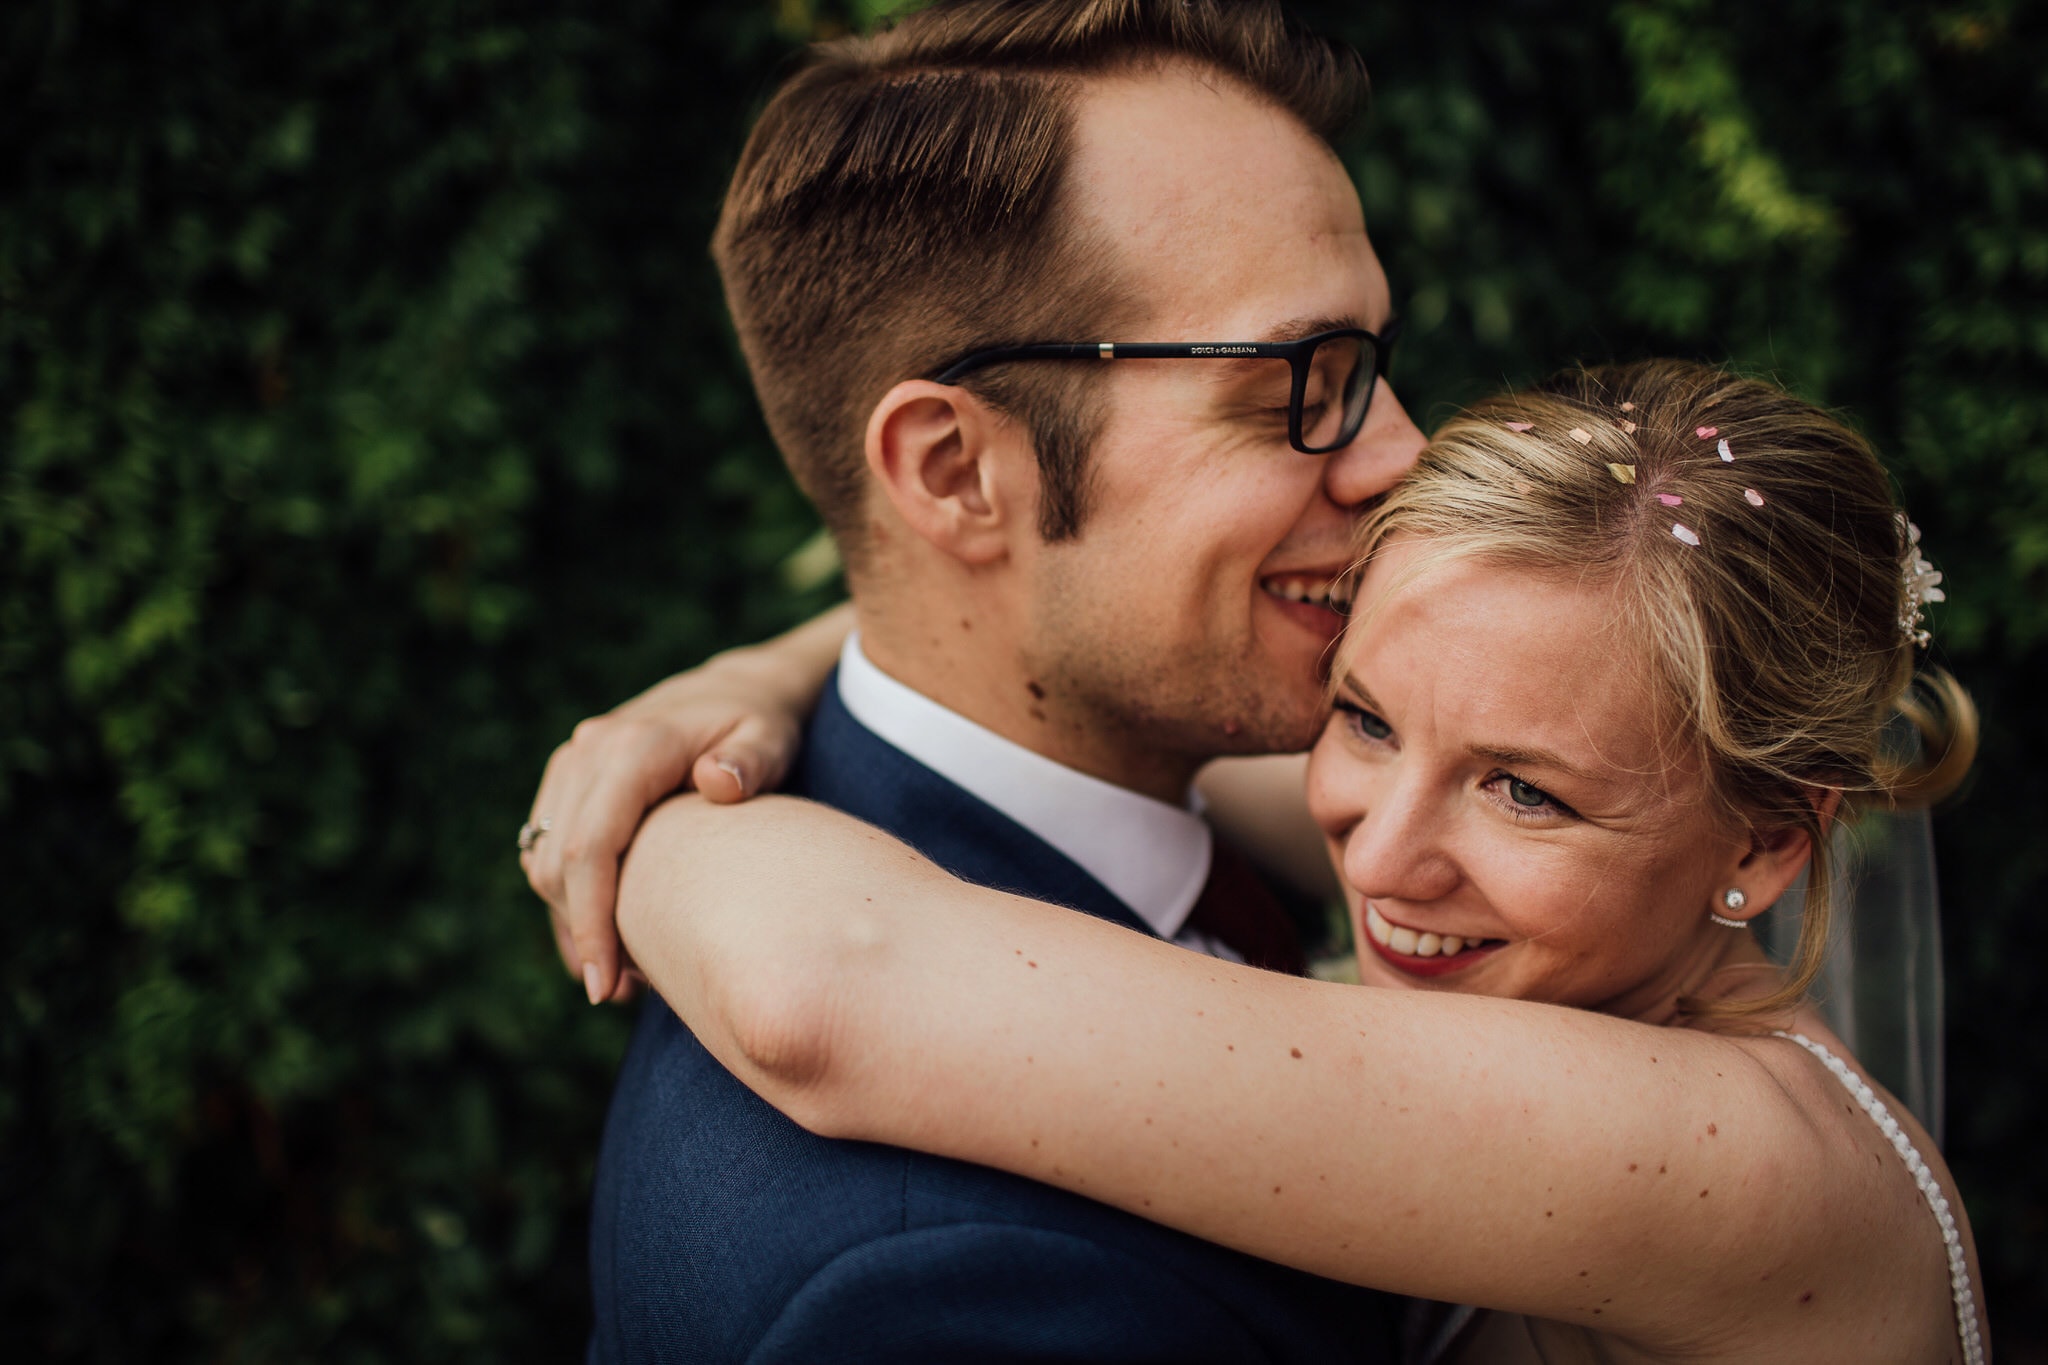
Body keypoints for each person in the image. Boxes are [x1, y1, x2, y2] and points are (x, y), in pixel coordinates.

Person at [595, 361, 1988, 1361]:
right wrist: (753, 675)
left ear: (1762, 840)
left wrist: (631, 801)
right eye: (1366, 716)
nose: (1377, 852)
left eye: (1523, 791)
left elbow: (825, 985)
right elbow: (1055, 663)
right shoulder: (1588, 941)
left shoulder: (1710, 1153)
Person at [526, 2, 1438, 1359]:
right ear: (954, 472)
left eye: (1374, 365)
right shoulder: (939, 1292)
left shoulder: (1181, 800)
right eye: (1300, 381)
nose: (1404, 457)